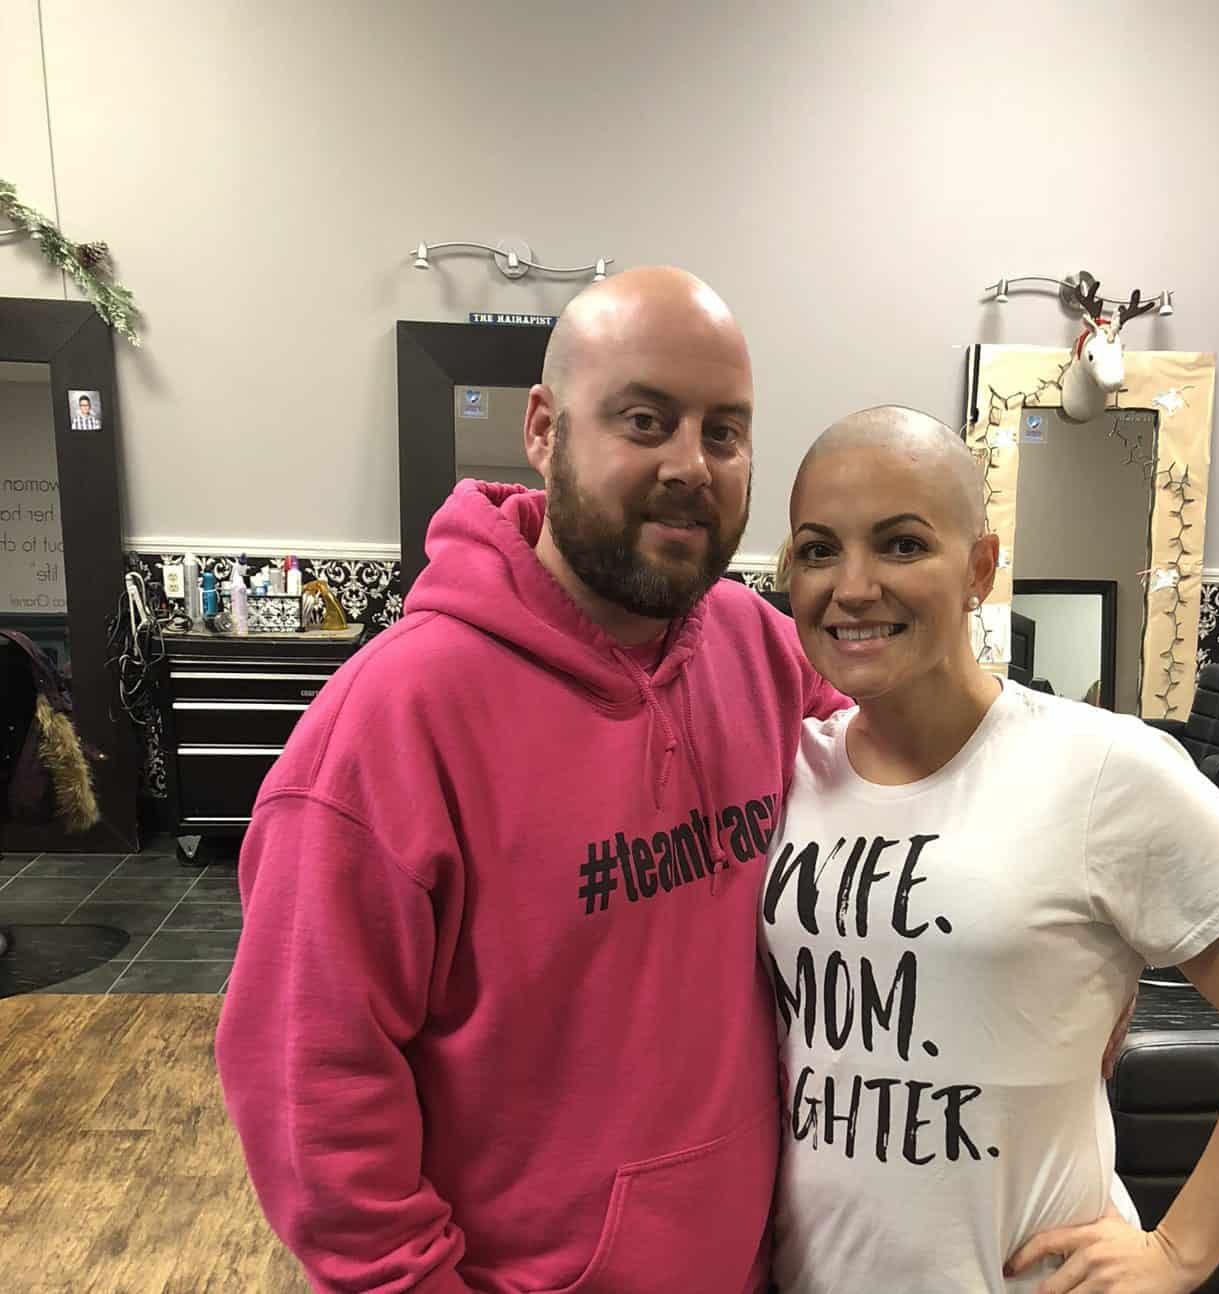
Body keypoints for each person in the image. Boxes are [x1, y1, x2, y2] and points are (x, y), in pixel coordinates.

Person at [216, 267, 846, 1294]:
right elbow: (311, 1094)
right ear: (544, 430)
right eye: (645, 420)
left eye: (723, 432)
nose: (691, 465)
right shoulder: (392, 723)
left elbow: (920, 791)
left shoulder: (759, 649)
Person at [761, 406, 1219, 1293]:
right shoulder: (787, 771)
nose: (852, 586)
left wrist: (1179, 1251)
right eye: (818, 549)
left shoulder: (1100, 769)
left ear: (978, 568)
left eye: (900, 545)